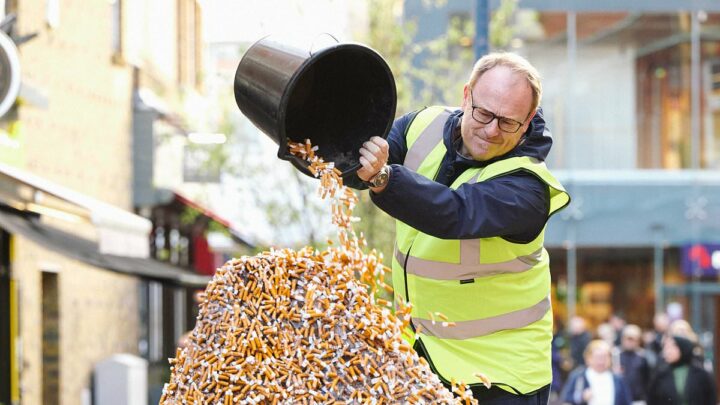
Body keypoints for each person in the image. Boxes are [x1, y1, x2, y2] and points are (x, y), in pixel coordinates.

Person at [354, 52, 571, 402]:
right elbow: (362, 160)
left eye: (508, 122)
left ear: (529, 119)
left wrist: (382, 177)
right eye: (484, 113)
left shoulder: (528, 188)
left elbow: (454, 213)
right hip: (426, 362)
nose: (491, 130)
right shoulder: (421, 126)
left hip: (501, 378)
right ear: (466, 95)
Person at [646, 335, 717, 405]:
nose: (666, 352)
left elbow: (710, 399)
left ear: (682, 348)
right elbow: (652, 400)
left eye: (670, 347)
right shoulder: (660, 375)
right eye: (665, 347)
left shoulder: (701, 375)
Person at [560, 340, 632, 405]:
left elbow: (626, 401)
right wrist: (582, 397)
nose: (601, 361)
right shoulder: (578, 376)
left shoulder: (618, 379)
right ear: (588, 358)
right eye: (598, 357)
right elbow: (566, 399)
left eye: (605, 357)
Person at [617, 324, 650, 405]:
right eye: (628, 338)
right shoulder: (615, 355)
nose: (630, 342)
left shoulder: (643, 357)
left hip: (638, 400)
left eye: (633, 339)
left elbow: (648, 380)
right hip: (619, 400)